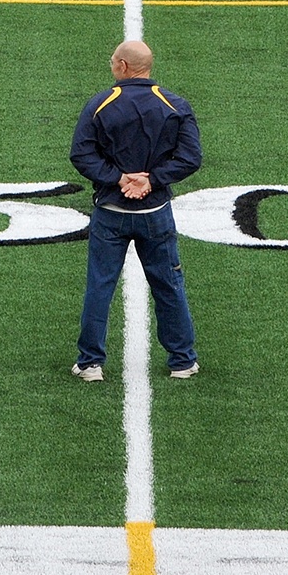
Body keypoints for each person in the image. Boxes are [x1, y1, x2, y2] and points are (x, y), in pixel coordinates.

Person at [69, 40, 202, 382]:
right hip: (155, 212)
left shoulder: (99, 104)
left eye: (113, 60)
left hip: (110, 211)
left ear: (124, 67)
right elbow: (190, 158)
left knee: (100, 285)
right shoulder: (175, 105)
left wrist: (118, 179)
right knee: (169, 284)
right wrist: (151, 181)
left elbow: (82, 155)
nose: (111, 64)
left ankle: (90, 363)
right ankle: (182, 360)